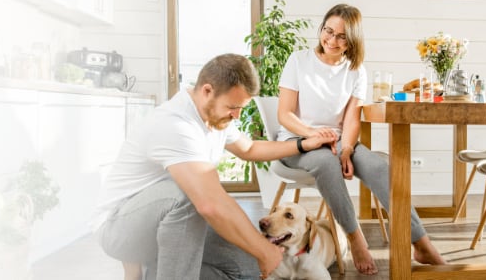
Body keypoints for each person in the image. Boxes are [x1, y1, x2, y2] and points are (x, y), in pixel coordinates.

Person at [91, 53, 338, 280]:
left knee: (248, 268)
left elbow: (249, 149)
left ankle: (153, 272)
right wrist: (264, 250)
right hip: (121, 229)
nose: (237, 116)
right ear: (208, 91)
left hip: (169, 226)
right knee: (190, 197)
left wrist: (305, 144)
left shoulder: (214, 116)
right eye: (233, 108)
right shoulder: (176, 125)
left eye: (240, 108)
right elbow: (210, 204)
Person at [276, 4, 447, 275]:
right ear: (321, 29)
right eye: (328, 31)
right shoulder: (298, 61)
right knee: (326, 163)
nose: (332, 40)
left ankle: (421, 242)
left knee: (380, 167)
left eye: (341, 36)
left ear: (352, 40)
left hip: (338, 141)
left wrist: (346, 149)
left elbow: (352, 118)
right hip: (298, 141)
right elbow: (284, 114)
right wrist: (314, 134)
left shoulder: (356, 69)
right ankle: (356, 239)